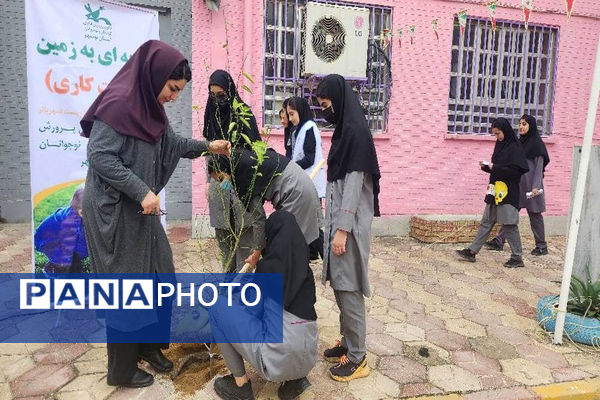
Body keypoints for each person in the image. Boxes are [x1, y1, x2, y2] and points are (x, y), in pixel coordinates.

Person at [80, 40, 230, 388]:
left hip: (138, 211)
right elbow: (99, 156)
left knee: (160, 272)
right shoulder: (117, 105)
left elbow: (173, 145)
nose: (174, 97)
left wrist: (209, 146)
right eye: (173, 88)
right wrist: (142, 190)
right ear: (155, 76)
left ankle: (148, 346)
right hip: (113, 213)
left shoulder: (151, 111)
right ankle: (120, 368)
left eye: (179, 91)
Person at [315, 74, 381, 382]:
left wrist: (341, 229)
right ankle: (347, 341)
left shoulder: (355, 132)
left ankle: (358, 358)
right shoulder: (345, 130)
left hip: (349, 228)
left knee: (349, 287)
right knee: (340, 285)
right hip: (340, 224)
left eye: (327, 104)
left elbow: (354, 186)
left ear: (339, 100)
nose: (325, 110)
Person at [213, 210, 318, 400]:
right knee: (290, 324)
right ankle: (295, 382)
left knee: (218, 309)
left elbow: (251, 312)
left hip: (278, 362)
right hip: (308, 358)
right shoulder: (306, 273)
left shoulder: (267, 270)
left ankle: (240, 386)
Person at [209, 146, 322, 269]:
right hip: (299, 184)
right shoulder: (243, 159)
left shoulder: (243, 175)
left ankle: (292, 283)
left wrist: (256, 253)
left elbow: (259, 219)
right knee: (283, 245)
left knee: (287, 248)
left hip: (296, 193)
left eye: (221, 178)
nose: (222, 184)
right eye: (218, 181)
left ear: (227, 168)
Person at [203, 70, 263, 272]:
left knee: (243, 241)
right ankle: (228, 287)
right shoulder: (212, 114)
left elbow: (256, 152)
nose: (217, 99)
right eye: (213, 95)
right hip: (219, 186)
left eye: (221, 95)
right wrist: (207, 180)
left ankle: (241, 289)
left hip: (241, 186)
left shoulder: (243, 114)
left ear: (230, 92)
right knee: (224, 241)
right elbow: (208, 151)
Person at [456, 117, 529, 268]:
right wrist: (486, 167)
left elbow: (516, 171)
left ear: (506, 131)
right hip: (494, 190)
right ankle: (472, 251)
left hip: (508, 193)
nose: (497, 137)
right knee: (486, 222)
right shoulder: (500, 146)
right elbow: (498, 167)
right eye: (495, 134)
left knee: (509, 224)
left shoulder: (515, 148)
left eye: (498, 133)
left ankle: (517, 257)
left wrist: (495, 167)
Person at [485, 114, 550, 255]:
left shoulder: (537, 144)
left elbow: (539, 168)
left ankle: (541, 245)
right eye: (520, 123)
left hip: (532, 186)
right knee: (510, 212)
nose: (521, 126)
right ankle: (499, 240)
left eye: (524, 124)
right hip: (518, 184)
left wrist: (536, 186)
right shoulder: (519, 143)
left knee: (535, 215)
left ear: (531, 126)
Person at [286, 96, 326, 260]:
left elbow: (309, 158)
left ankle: (329, 261)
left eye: (292, 114)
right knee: (306, 222)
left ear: (301, 111)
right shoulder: (299, 129)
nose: (290, 118)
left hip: (312, 182)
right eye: (288, 115)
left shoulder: (309, 128)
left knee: (314, 224)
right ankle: (311, 254)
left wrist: (292, 167)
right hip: (304, 181)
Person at [34, 184, 88, 274]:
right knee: (64, 259)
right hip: (48, 240)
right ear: (81, 212)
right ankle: (52, 269)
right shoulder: (71, 223)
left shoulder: (75, 213)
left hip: (53, 236)